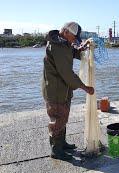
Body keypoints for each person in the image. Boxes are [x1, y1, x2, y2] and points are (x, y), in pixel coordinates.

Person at [42, 22, 94, 160]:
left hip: (62, 89)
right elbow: (67, 73)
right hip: (56, 90)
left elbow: (71, 52)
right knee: (58, 119)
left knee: (62, 117)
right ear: (65, 32)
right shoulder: (57, 46)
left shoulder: (63, 43)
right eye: (73, 37)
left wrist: (80, 49)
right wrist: (85, 87)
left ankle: (62, 144)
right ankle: (56, 150)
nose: (74, 41)